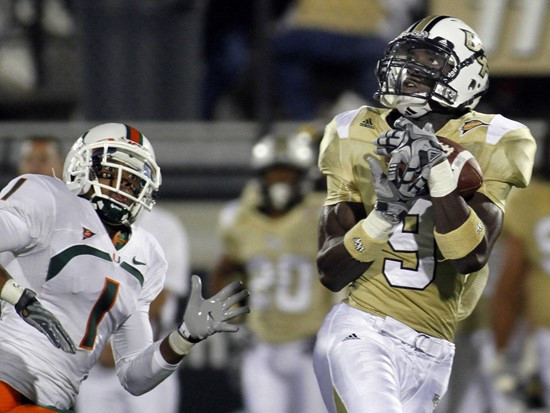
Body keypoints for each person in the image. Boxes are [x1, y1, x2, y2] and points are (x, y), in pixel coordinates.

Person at [312, 15, 536, 413]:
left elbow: (469, 256)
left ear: (466, 75)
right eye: (408, 57)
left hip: (436, 349)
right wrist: (383, 216)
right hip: (364, 331)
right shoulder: (353, 131)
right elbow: (332, 271)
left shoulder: (499, 139)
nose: (409, 71)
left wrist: (439, 176)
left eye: (429, 61)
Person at [0, 122, 249, 412]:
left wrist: (183, 338)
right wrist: (19, 297)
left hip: (54, 400)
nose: (121, 187)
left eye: (131, 181)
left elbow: (135, 377)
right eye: (110, 173)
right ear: (81, 167)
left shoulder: (147, 255)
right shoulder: (51, 200)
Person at [211, 131, 337, 413]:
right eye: (272, 174)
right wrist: (234, 320)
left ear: (303, 176)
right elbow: (225, 271)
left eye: (288, 174)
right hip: (262, 346)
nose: (280, 182)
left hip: (310, 346)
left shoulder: (320, 213)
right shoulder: (242, 219)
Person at [75, 206, 191, 413]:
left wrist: (124, 346)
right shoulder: (79, 220)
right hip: (92, 358)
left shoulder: (164, 226)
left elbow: (160, 296)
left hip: (147, 354)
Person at [491, 135, 550, 409]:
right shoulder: (531, 200)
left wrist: (502, 352)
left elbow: (510, 286)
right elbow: (510, 286)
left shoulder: (533, 200)